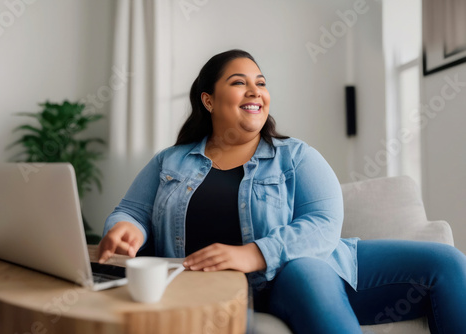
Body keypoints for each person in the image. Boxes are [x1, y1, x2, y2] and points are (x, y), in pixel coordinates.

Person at [98, 49, 466, 333]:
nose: (255, 90)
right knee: (305, 271)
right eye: (239, 82)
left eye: (260, 82)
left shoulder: (295, 156)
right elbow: (131, 210)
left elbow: (324, 224)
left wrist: (255, 253)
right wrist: (126, 226)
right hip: (240, 289)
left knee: (447, 262)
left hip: (299, 269)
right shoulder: (171, 161)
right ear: (208, 100)